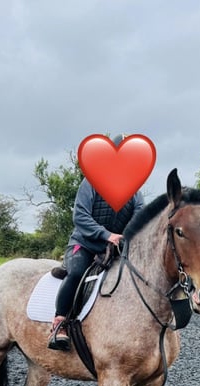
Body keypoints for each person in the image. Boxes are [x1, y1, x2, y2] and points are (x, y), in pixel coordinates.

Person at [48, 134, 145, 351]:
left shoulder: (134, 191)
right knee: (75, 274)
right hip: (84, 244)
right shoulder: (90, 182)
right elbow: (80, 216)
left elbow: (139, 216)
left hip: (116, 248)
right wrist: (106, 234)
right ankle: (59, 323)